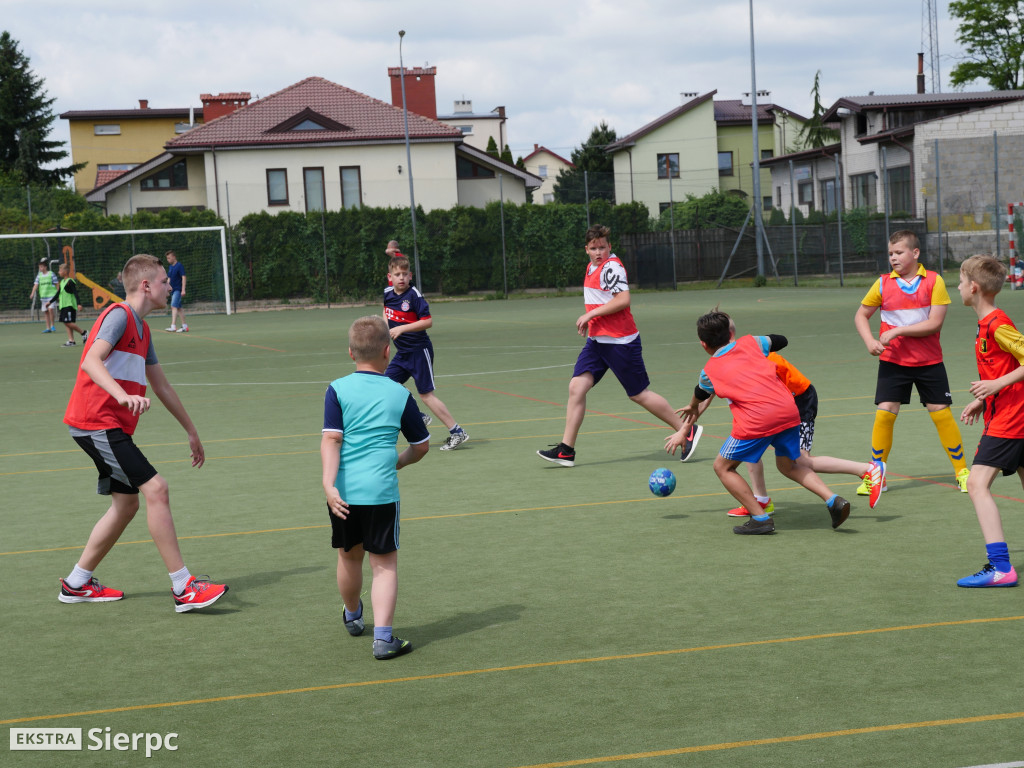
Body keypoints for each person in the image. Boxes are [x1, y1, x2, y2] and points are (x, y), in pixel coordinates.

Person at [59, 253, 227, 612]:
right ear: (146, 285)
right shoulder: (119, 316)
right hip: (96, 421)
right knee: (157, 489)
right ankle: (184, 587)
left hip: (107, 423)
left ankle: (76, 583)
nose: (171, 286)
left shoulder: (143, 328)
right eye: (166, 281)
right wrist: (121, 395)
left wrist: (191, 430)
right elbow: (90, 360)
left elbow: (162, 386)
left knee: (127, 503)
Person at [666, 309, 852, 535]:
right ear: (730, 334)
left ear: (703, 345)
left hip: (757, 421)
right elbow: (781, 340)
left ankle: (760, 518)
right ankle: (833, 500)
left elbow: (701, 392)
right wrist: (759, 345)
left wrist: (692, 406)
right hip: (789, 411)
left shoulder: (709, 371)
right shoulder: (751, 343)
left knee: (722, 467)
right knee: (789, 465)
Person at [322, 315, 430, 659]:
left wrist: (328, 484)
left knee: (348, 557)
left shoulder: (336, 389)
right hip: (382, 493)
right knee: (384, 565)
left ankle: (352, 614)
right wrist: (398, 461)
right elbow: (422, 446)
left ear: (350, 353)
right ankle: (383, 639)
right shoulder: (400, 394)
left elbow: (331, 441)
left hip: (344, 493)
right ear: (388, 351)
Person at [537, 224, 685, 467]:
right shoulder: (592, 267)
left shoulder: (612, 268)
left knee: (639, 395)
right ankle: (566, 450)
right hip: (597, 342)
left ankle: (685, 429)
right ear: (586, 249)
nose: (598, 252)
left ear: (609, 247)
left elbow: (623, 299)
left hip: (620, 342)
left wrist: (589, 316)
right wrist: (592, 320)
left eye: (602, 247)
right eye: (594, 248)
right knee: (577, 387)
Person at [854, 230, 969, 495]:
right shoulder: (882, 283)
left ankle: (962, 472)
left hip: (929, 362)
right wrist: (869, 340)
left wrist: (897, 331)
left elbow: (934, 323)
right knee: (885, 412)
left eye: (899, 252)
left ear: (915, 253)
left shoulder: (933, 281)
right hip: (894, 362)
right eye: (890, 253)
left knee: (941, 413)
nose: (893, 258)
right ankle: (877, 476)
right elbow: (861, 316)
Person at [711, 344, 884, 517]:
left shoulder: (748, 355)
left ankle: (866, 469)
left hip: (798, 401)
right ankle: (761, 499)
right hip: (774, 405)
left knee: (800, 461)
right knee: (751, 446)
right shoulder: (733, 358)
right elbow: (707, 389)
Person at [955, 255, 1024, 587]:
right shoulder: (987, 324)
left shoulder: (998, 324)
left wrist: (997, 386)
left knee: (976, 484)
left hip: (1011, 420)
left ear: (973, 287)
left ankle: (1001, 568)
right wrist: (984, 399)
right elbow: (1006, 368)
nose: (957, 288)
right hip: (1012, 413)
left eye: (959, 282)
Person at [384, 254, 469, 450]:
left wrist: (401, 329)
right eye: (397, 274)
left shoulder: (414, 296)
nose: (402, 278)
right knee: (386, 384)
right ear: (390, 277)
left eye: (405, 274)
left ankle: (457, 431)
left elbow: (427, 321)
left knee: (426, 395)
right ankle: (418, 416)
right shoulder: (387, 292)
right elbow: (385, 309)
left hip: (419, 351)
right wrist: (386, 328)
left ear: (410, 275)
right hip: (403, 352)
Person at [50, 263, 89, 347]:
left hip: (69, 305)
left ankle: (84, 333)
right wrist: (50, 302)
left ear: (65, 271)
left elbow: (75, 293)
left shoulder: (70, 281)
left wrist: (79, 304)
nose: (58, 272)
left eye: (60, 270)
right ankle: (71, 341)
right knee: (66, 322)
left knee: (67, 322)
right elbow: (58, 293)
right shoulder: (62, 282)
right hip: (63, 305)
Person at [30, 258, 58, 332]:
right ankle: (48, 328)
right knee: (46, 312)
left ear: (45, 267)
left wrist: (58, 294)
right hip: (43, 296)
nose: (40, 268)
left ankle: (52, 326)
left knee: (50, 309)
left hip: (52, 295)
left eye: (41, 267)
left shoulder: (51, 274)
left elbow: (57, 284)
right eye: (39, 267)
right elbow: (35, 285)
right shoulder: (39, 276)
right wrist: (32, 293)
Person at [164, 250, 188, 332]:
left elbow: (183, 277)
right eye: (167, 258)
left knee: (173, 306)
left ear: (174, 257)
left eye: (169, 258)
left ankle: (173, 325)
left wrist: (183, 289)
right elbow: (169, 279)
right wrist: (166, 288)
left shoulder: (179, 266)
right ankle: (185, 326)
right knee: (179, 308)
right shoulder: (171, 267)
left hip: (178, 290)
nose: (168, 260)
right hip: (173, 290)